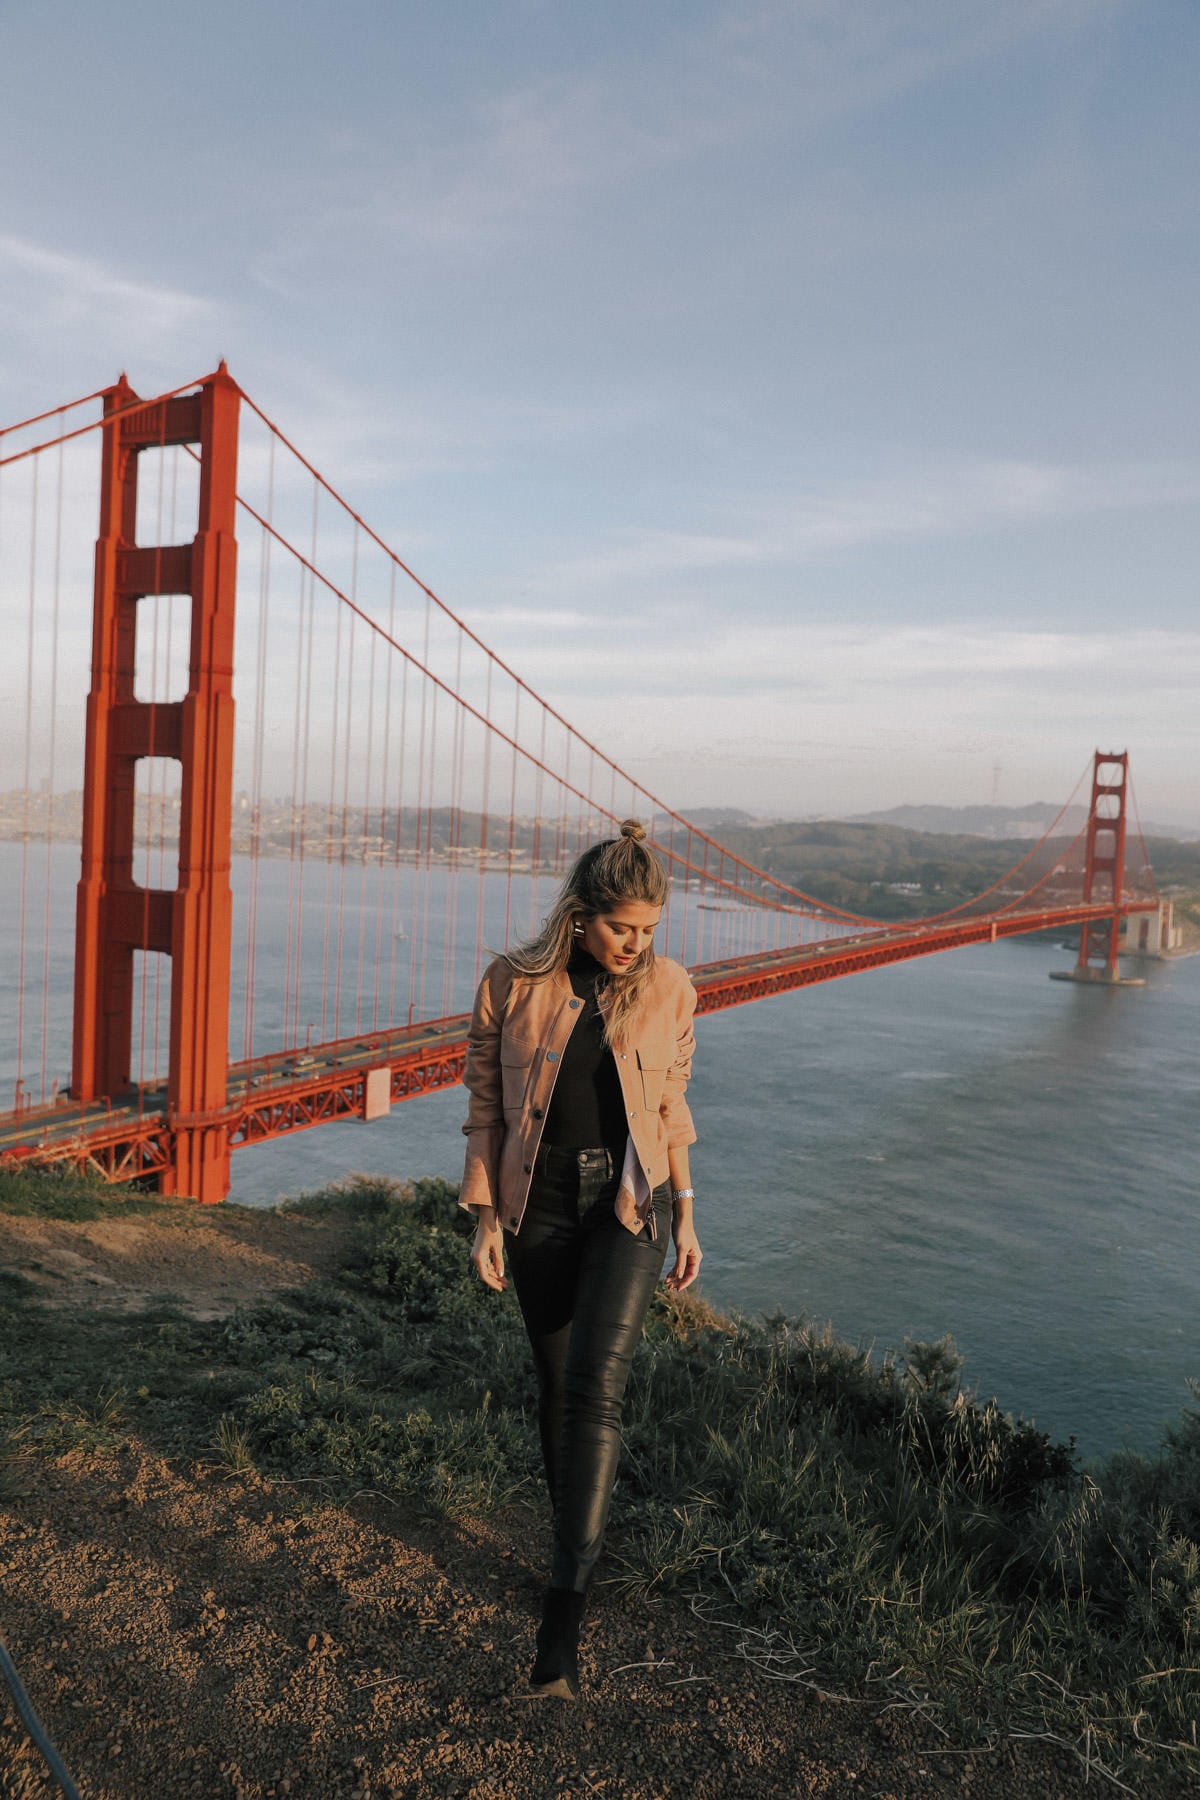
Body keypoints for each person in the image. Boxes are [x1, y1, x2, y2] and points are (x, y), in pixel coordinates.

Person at [459, 820, 702, 1700]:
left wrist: (688, 1214)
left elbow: (671, 1104)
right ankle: (574, 1547)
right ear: (578, 915)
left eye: (648, 932)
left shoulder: (670, 988)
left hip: (627, 1204)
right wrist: (485, 1217)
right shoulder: (511, 984)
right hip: (536, 1206)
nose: (635, 948)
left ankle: (561, 1621)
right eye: (619, 929)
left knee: (598, 1389)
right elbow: (486, 1106)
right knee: (557, 1388)